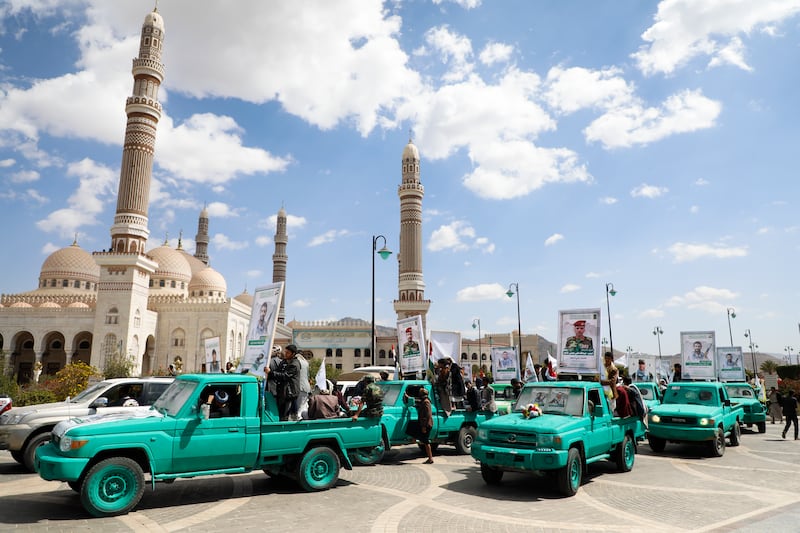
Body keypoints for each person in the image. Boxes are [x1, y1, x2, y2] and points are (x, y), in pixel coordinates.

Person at [266, 344, 301, 421]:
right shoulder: (284, 361)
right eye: (285, 352)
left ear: (293, 354)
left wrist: (270, 373)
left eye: (288, 353)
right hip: (282, 392)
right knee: (281, 412)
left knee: (287, 414)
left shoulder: (294, 364)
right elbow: (278, 372)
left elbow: (285, 375)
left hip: (290, 393)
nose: (285, 354)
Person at [404, 387, 434, 464]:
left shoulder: (426, 402)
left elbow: (428, 415)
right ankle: (415, 439)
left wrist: (424, 426)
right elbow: (416, 402)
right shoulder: (424, 401)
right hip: (423, 423)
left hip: (426, 424)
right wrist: (408, 397)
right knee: (412, 426)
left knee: (426, 441)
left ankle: (430, 458)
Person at [295, 350, 312, 420]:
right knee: (304, 406)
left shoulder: (296, 361)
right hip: (306, 387)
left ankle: (299, 417)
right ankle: (306, 420)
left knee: (299, 406)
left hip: (299, 386)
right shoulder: (306, 362)